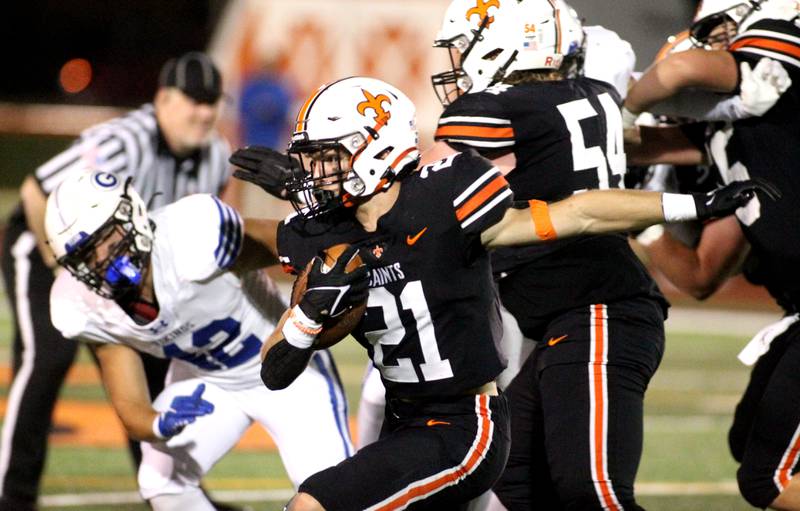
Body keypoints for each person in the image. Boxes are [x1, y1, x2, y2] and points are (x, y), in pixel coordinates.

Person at [231, 75, 772, 511]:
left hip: (465, 423)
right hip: (404, 420)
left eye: (329, 155)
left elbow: (578, 213)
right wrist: (306, 318)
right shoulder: (321, 232)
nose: (313, 171)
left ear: (376, 148)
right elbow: (275, 371)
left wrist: (691, 207)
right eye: (312, 157)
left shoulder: (447, 199)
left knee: (314, 505)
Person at [425, 1, 668, 508]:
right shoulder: (584, 95)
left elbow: (457, 124)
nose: (456, 65)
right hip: (554, 312)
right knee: (513, 483)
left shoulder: (520, 106)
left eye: (465, 49)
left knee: (592, 489)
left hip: (595, 306)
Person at [0, 51, 240, 511]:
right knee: (47, 359)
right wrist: (61, 272)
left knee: (150, 374)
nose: (205, 113)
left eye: (212, 102)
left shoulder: (216, 154)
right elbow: (35, 190)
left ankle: (173, 494)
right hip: (48, 254)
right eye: (194, 100)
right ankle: (14, 498)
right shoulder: (122, 142)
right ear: (164, 99)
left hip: (123, 273)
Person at [42, 170, 352, 510]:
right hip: (210, 385)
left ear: (131, 214)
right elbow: (130, 403)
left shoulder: (190, 234)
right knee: (160, 480)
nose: (101, 259)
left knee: (331, 493)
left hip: (288, 371)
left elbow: (293, 246)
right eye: (86, 254)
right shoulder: (82, 304)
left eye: (106, 238)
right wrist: (156, 424)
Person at [622, 1, 800, 508]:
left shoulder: (776, 76)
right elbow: (700, 275)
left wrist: (626, 107)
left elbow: (678, 70)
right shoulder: (739, 130)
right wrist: (644, 220)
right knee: (746, 441)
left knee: (771, 479)